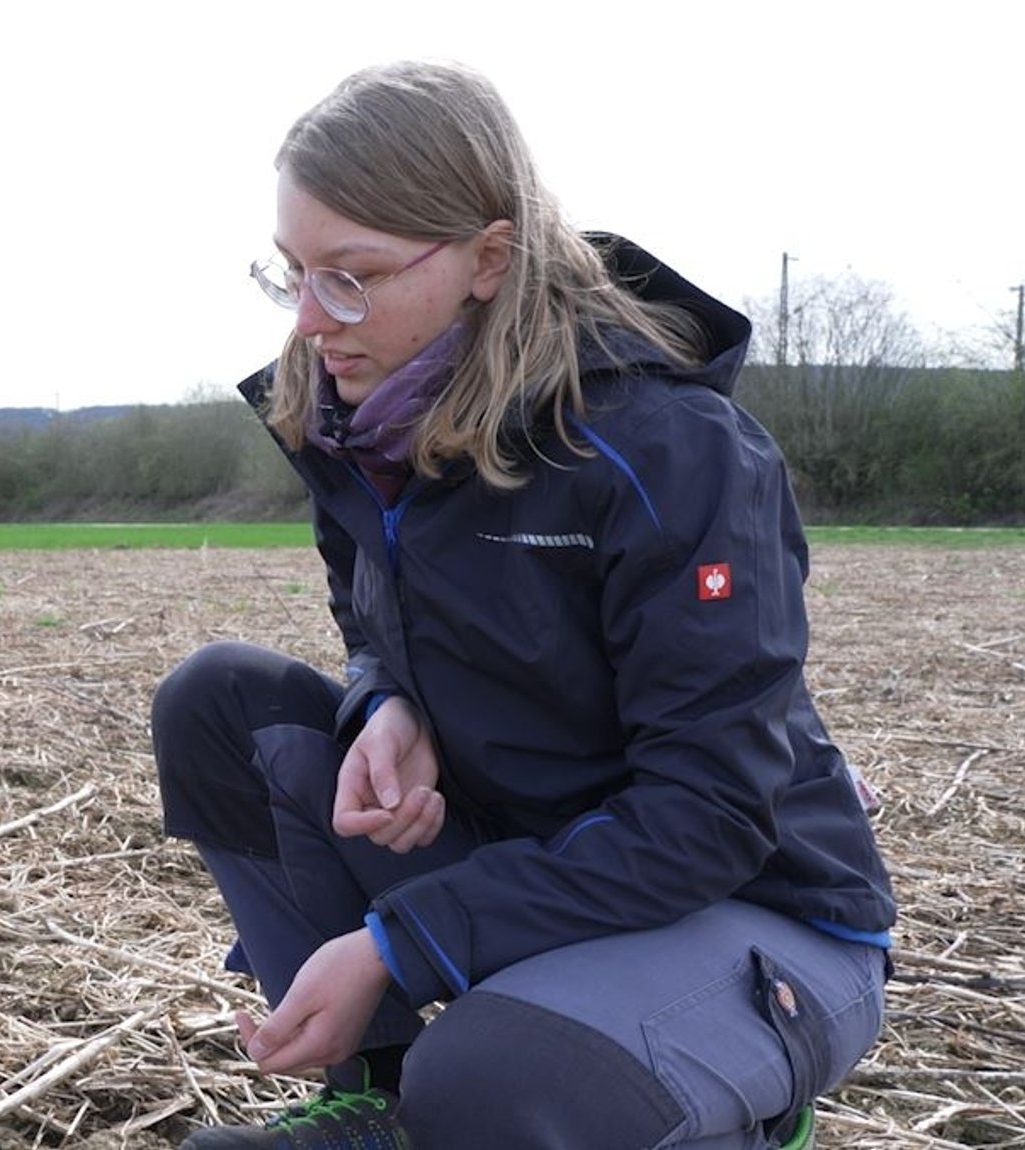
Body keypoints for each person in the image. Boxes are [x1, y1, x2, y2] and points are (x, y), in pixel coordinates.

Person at [152, 61, 894, 1150]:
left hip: (753, 907)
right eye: (293, 274)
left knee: (493, 1084)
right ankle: (375, 1097)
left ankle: (729, 1106)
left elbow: (707, 816)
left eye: (351, 277)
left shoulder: (667, 451)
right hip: (536, 857)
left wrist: (400, 943)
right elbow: (375, 625)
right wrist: (382, 703)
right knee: (217, 701)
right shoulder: (354, 429)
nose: (312, 319)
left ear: (487, 259)